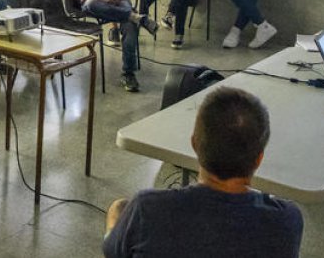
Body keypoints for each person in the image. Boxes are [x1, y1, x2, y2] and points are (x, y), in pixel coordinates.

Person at [103, 86, 302, 258]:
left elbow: (112, 251)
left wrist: (116, 214)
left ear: (195, 144)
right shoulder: (287, 220)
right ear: (259, 159)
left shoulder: (147, 209)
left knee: (119, 207)